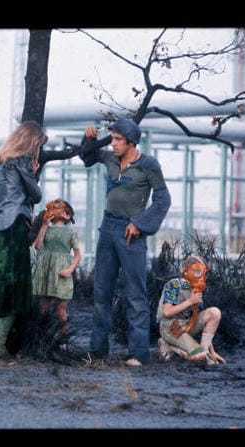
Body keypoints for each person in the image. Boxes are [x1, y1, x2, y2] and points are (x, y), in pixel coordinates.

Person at [80, 118, 171, 367]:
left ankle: (138, 354)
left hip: (132, 233)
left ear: (131, 142)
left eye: (118, 140)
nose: (114, 144)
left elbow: (163, 200)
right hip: (107, 228)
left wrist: (140, 224)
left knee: (135, 295)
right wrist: (87, 139)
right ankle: (97, 352)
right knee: (101, 292)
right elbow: (87, 158)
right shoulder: (110, 158)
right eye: (112, 139)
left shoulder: (149, 165)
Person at [0, 120, 46, 358]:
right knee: (15, 285)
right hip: (15, 227)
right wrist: (33, 174)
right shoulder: (23, 162)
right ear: (31, 143)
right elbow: (36, 195)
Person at [156, 255, 226, 365]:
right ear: (185, 271)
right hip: (171, 327)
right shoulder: (174, 285)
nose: (201, 277)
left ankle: (205, 352)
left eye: (204, 273)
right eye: (198, 272)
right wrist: (190, 301)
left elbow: (204, 322)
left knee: (214, 312)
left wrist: (212, 351)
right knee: (198, 354)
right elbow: (167, 312)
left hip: (188, 325)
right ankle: (168, 345)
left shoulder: (196, 289)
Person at [31, 198, 81, 350]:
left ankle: (64, 341)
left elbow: (78, 255)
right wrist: (44, 226)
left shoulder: (71, 232)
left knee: (61, 309)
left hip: (61, 272)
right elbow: (38, 246)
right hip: (46, 271)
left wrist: (70, 269)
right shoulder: (47, 229)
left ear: (67, 215)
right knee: (44, 308)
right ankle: (42, 338)